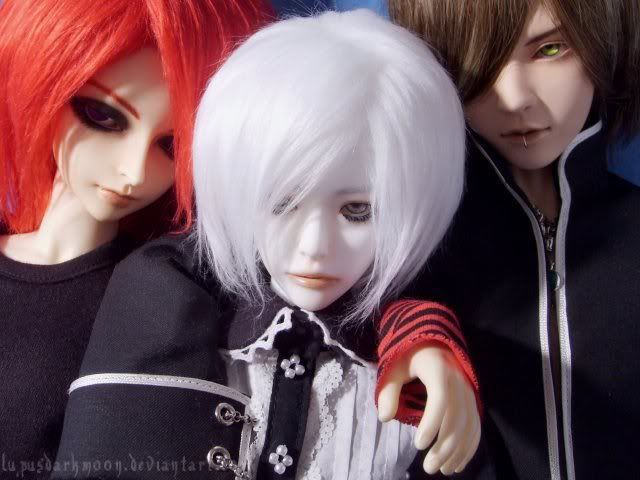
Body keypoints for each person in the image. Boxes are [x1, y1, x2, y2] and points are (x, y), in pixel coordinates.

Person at [53, 9, 480, 479]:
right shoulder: (169, 299)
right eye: (282, 203)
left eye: (358, 211)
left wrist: (424, 335)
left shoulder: (412, 344)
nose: (314, 247)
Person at [0, 0, 271, 474]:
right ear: (40, 81)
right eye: (103, 116)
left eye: (172, 145)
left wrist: (408, 331)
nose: (133, 172)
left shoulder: (163, 296)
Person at [387, 0, 640, 478]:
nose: (514, 96)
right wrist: (416, 338)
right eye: (475, 61)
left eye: (550, 49)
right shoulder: (417, 246)